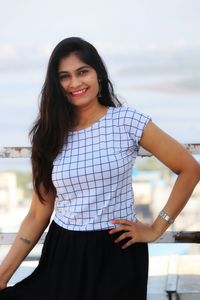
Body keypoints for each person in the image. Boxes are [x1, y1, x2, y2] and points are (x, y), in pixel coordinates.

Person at [0, 37, 199, 300]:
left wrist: (155, 228)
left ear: (99, 75)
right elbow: (38, 214)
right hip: (64, 253)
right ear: (56, 84)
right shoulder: (48, 135)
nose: (75, 83)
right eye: (64, 76)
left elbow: (189, 168)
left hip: (118, 251)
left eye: (82, 72)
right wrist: (2, 277)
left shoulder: (127, 121)